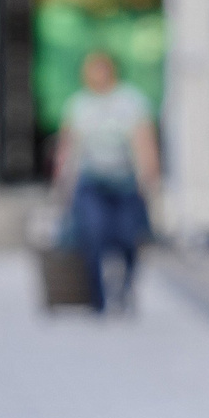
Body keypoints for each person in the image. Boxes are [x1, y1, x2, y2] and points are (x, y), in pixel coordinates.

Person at [55, 50, 159, 313]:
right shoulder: (79, 104)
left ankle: (125, 286)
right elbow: (68, 146)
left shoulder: (130, 101)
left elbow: (143, 141)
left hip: (124, 181)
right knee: (93, 234)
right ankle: (98, 299)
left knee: (128, 237)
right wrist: (62, 184)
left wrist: (149, 178)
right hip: (92, 180)